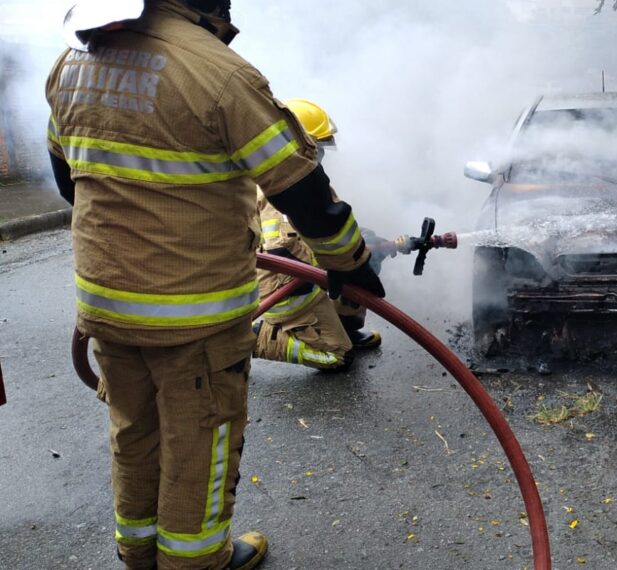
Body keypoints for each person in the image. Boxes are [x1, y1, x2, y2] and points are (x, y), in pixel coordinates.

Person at [45, 1, 384, 568]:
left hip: (104, 303)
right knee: (199, 442)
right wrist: (349, 262)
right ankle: (198, 560)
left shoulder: (73, 62)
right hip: (191, 315)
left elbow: (69, 182)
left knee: (135, 433)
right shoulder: (218, 73)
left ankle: (139, 551)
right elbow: (300, 186)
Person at [253, 99, 382, 371]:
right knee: (338, 357)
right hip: (286, 289)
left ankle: (345, 330)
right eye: (316, 148)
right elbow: (281, 253)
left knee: (358, 263)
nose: (318, 157)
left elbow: (329, 226)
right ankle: (254, 339)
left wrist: (361, 246)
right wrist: (329, 266)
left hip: (306, 277)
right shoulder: (275, 189)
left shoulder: (306, 181)